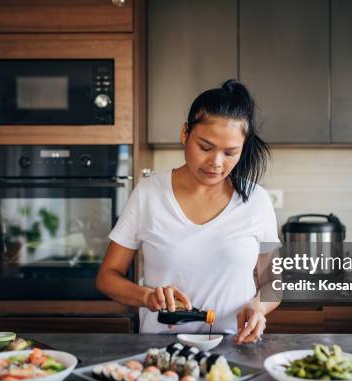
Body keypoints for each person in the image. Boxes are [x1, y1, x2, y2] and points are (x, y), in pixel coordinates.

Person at [96, 79, 281, 344]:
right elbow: (107, 277)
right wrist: (147, 297)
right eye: (205, 147)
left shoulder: (257, 201)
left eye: (230, 152)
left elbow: (273, 283)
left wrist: (259, 307)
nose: (216, 163)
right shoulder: (148, 193)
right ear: (185, 134)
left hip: (234, 346)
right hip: (161, 350)